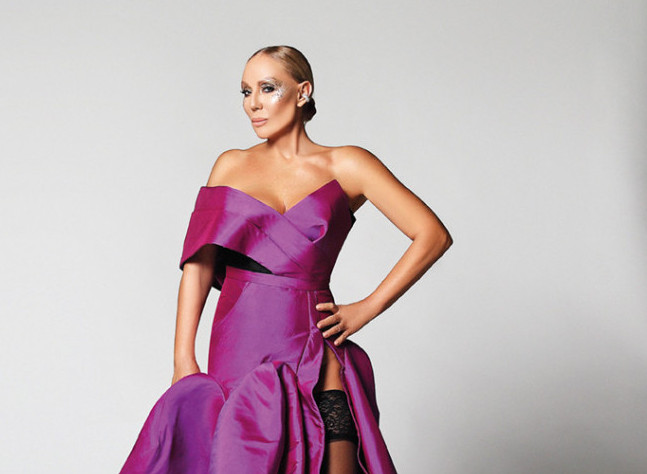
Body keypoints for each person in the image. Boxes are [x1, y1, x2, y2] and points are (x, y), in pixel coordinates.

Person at [119, 45, 452, 474]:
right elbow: (198, 265)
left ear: (302, 92)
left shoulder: (348, 164)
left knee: (335, 459)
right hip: (238, 348)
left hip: (312, 344)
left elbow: (431, 235)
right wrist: (183, 358)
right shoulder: (230, 165)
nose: (253, 104)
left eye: (268, 88)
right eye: (246, 91)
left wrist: (367, 308)